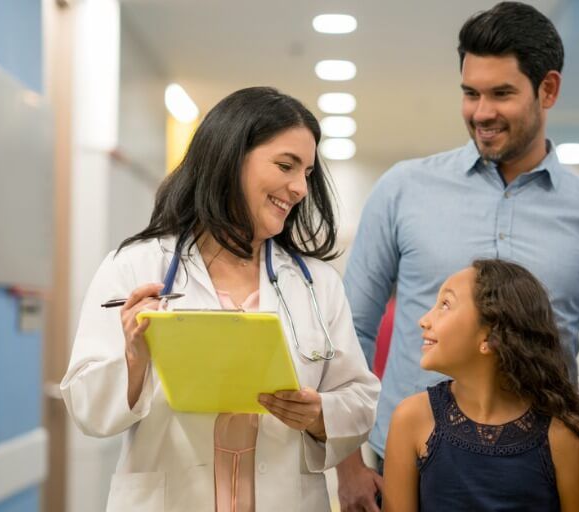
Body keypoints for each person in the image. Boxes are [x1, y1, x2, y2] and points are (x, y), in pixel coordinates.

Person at [338, 3, 579, 509]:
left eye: (501, 94)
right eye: (470, 93)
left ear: (549, 90)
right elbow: (350, 331)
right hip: (406, 466)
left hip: (542, 471)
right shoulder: (403, 191)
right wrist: (348, 463)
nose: (481, 112)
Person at [60, 87, 380, 512]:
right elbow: (85, 408)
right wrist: (135, 360)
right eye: (286, 165)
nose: (300, 187)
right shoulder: (136, 265)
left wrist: (320, 415)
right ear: (230, 158)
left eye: (306, 172)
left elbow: (358, 396)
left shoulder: (315, 282)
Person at [383, 260, 579, 511]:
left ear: (490, 337)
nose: (424, 320)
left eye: (445, 305)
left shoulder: (563, 438)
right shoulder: (411, 420)